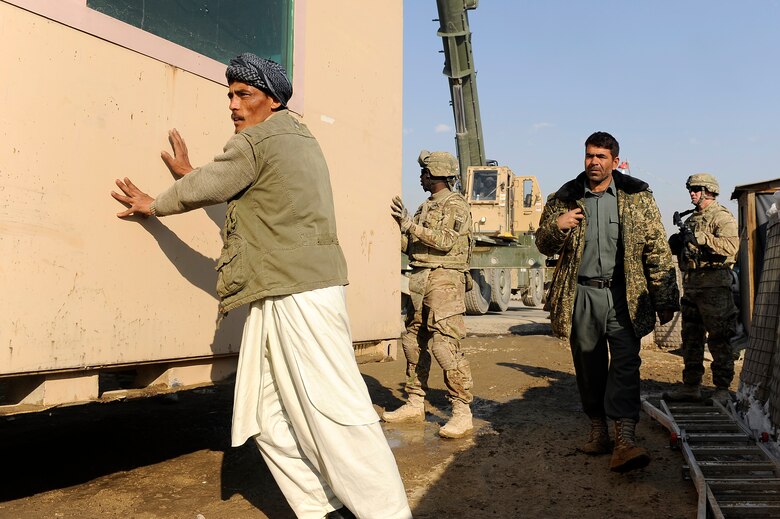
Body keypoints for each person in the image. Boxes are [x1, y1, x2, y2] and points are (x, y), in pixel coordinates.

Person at [111, 53, 411, 519]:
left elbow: (223, 177)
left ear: (271, 100)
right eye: (229, 94)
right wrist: (193, 176)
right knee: (265, 414)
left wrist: (157, 202)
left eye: (243, 94)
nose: (232, 104)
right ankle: (320, 508)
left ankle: (386, 513)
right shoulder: (292, 136)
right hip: (281, 289)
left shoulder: (260, 139)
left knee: (335, 411)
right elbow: (235, 183)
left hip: (299, 291)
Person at [536, 131, 680, 473]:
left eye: (601, 157)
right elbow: (543, 244)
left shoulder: (637, 197)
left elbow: (657, 249)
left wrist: (664, 297)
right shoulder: (565, 198)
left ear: (615, 161)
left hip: (624, 295)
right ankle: (598, 429)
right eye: (589, 155)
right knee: (589, 366)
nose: (594, 162)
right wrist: (559, 225)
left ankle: (625, 439)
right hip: (582, 295)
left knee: (627, 364)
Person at [382, 150, 474, 439]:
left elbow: (446, 241)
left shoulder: (456, 204)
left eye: (423, 174)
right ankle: (414, 402)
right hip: (421, 277)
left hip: (445, 278)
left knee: (444, 345)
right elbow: (412, 244)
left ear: (434, 175)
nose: (420, 178)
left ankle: (462, 412)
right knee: (413, 342)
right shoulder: (424, 207)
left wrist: (409, 225)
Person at [663, 174, 739, 404]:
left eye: (696, 189)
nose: (692, 193)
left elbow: (731, 246)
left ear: (708, 190)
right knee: (691, 338)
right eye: (691, 189)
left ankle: (722, 389)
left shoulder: (721, 216)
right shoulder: (693, 218)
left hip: (715, 286)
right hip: (693, 285)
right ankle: (691, 385)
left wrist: (702, 238)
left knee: (719, 337)